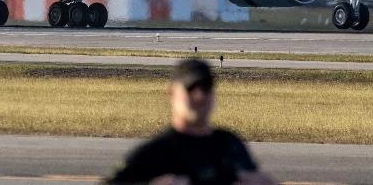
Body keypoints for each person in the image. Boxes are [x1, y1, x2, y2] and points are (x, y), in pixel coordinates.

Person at [107, 59, 276, 185]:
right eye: (190, 89)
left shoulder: (230, 145)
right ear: (171, 93)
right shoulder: (156, 152)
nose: (199, 96)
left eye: (206, 88)